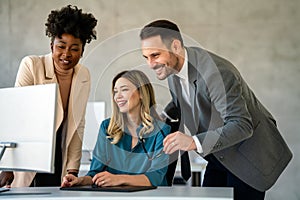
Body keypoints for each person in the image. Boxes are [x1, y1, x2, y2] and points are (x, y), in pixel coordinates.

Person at [139, 19, 292, 199]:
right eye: (146, 57)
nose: (150, 64)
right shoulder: (172, 69)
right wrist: (161, 118)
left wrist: (192, 142)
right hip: (219, 155)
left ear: (175, 46)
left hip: (249, 158)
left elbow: (241, 124)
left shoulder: (215, 73)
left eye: (155, 55)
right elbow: (182, 101)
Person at [0, 5, 97, 187]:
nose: (66, 54)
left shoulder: (84, 75)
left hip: (60, 156)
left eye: (74, 48)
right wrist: (8, 166)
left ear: (82, 50)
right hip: (30, 156)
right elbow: (16, 115)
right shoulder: (31, 65)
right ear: (51, 45)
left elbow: (78, 124)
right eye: (61, 46)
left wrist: (72, 170)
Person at [61, 70, 171, 188]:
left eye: (124, 90)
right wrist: (80, 180)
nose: (118, 96)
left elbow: (156, 178)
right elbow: (95, 173)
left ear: (141, 93)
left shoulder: (161, 130)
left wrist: (118, 179)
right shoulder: (107, 128)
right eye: (115, 92)